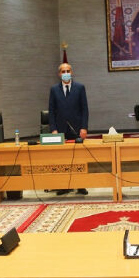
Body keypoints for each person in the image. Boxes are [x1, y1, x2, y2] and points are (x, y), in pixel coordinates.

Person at [48, 62, 89, 195]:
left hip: (77, 129)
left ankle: (81, 185)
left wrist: (84, 127)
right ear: (59, 74)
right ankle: (64, 186)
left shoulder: (80, 87)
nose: (66, 74)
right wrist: (53, 129)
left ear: (72, 72)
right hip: (60, 130)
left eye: (68, 71)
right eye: (63, 71)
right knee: (62, 159)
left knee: (79, 158)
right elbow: (51, 111)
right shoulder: (54, 89)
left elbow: (84, 109)